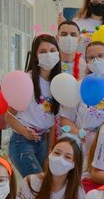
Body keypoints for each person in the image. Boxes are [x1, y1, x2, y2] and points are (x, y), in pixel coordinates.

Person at [7, 35, 63, 176]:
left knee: (43, 185)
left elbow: (51, 122)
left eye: (52, 50)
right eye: (42, 51)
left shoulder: (58, 82)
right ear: (36, 56)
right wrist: (24, 131)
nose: (48, 55)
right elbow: (8, 115)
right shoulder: (27, 80)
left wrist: (50, 148)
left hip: (43, 141)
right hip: (22, 141)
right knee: (36, 184)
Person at [75, 40, 104, 159]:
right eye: (91, 57)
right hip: (84, 147)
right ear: (86, 61)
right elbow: (65, 119)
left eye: (101, 56)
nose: (96, 60)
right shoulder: (79, 86)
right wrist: (79, 135)